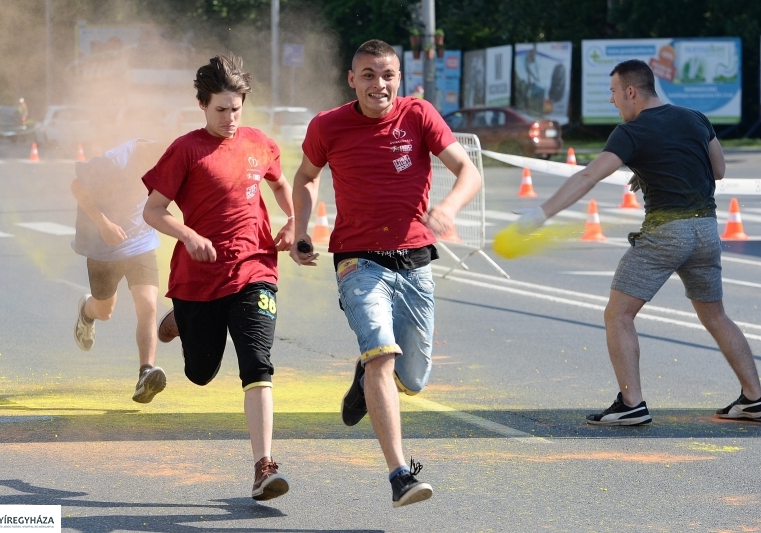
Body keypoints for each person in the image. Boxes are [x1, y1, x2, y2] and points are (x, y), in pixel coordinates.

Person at [289, 39, 482, 507]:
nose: (380, 84)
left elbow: (467, 171)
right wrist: (301, 231)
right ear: (352, 80)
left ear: (400, 78)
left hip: (415, 261)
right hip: (358, 260)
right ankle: (399, 474)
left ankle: (364, 377)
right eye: (369, 75)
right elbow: (305, 177)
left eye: (388, 74)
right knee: (381, 355)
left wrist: (450, 207)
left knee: (412, 378)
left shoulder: (418, 115)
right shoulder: (328, 125)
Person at [516, 59, 761, 426]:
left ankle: (631, 403)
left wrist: (539, 215)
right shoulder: (695, 117)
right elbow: (718, 170)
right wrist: (654, 171)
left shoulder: (631, 131)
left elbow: (587, 177)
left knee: (618, 314)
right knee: (715, 315)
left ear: (631, 91)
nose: (613, 100)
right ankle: (755, 399)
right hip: (706, 230)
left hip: (666, 233)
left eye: (614, 92)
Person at [142, 54, 295, 501]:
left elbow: (282, 184)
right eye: (220, 110)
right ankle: (182, 319)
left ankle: (263, 467)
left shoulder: (259, 143)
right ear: (203, 106)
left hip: (255, 270)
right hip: (199, 279)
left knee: (257, 362)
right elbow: (153, 209)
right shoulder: (185, 150)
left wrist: (291, 222)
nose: (230, 119)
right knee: (201, 371)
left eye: (236, 109)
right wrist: (187, 234)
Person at [71, 138, 168, 404]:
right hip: (104, 245)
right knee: (105, 310)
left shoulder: (167, 159)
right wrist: (103, 224)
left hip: (141, 242)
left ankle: (145, 373)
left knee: (148, 305)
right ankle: (87, 310)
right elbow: (77, 187)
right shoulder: (114, 161)